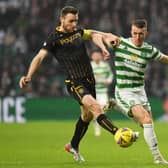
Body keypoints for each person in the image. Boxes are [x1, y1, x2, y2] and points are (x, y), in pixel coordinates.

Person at [19, 6, 138, 163]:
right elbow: (39, 57)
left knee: (86, 116)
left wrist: (102, 47)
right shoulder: (53, 38)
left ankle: (73, 145)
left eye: (76, 20)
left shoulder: (78, 32)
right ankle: (120, 133)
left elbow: (94, 34)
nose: (74, 24)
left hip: (90, 80)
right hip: (74, 82)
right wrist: (28, 76)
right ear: (62, 19)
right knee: (95, 107)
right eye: (71, 21)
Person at [103, 19, 168, 164]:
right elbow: (102, 36)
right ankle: (158, 158)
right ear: (131, 32)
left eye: (141, 34)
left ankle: (117, 106)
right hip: (124, 91)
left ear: (146, 33)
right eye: (135, 33)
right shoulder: (121, 43)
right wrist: (105, 45)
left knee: (145, 125)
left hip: (140, 90)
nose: (137, 37)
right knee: (147, 120)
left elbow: (164, 58)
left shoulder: (148, 50)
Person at [91, 50, 113, 136]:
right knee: (95, 110)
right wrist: (92, 80)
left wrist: (108, 80)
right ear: (92, 57)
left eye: (97, 55)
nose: (96, 57)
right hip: (94, 91)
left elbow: (110, 74)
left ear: (100, 56)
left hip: (103, 91)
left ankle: (100, 123)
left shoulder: (105, 65)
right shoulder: (90, 65)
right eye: (94, 55)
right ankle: (97, 127)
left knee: (103, 108)